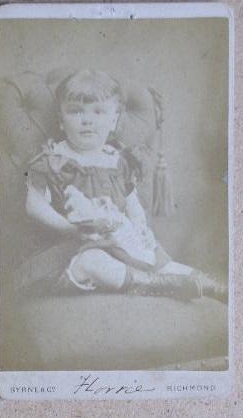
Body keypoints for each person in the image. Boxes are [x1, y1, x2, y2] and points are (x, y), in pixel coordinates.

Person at [26, 69, 226, 303]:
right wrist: (69, 229)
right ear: (61, 121)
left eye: (98, 112)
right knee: (93, 262)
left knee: (158, 259)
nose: (87, 119)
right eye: (76, 111)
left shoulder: (118, 161)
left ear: (113, 121)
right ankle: (151, 284)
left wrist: (140, 227)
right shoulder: (53, 160)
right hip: (74, 246)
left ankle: (209, 285)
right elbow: (34, 205)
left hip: (118, 240)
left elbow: (131, 201)